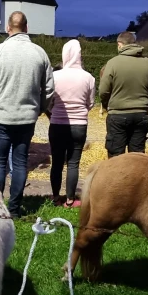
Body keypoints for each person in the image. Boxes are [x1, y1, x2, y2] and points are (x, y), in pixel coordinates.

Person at [0, 11, 54, 217]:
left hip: (1, 117)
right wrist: (39, 108)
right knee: (20, 162)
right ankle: (14, 209)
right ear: (27, 28)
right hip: (26, 118)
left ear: (7, 28)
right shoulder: (40, 53)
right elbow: (49, 89)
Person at [47, 39, 95, 208]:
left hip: (57, 124)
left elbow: (49, 101)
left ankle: (55, 197)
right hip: (79, 125)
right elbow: (91, 103)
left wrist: (55, 109)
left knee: (57, 162)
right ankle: (69, 200)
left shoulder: (54, 76)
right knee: (73, 163)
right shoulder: (88, 77)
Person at [98, 31, 148, 158]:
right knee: (137, 157)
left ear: (120, 44)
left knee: (115, 157)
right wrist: (146, 105)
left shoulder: (113, 63)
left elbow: (103, 91)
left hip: (118, 114)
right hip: (141, 115)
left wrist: (107, 105)